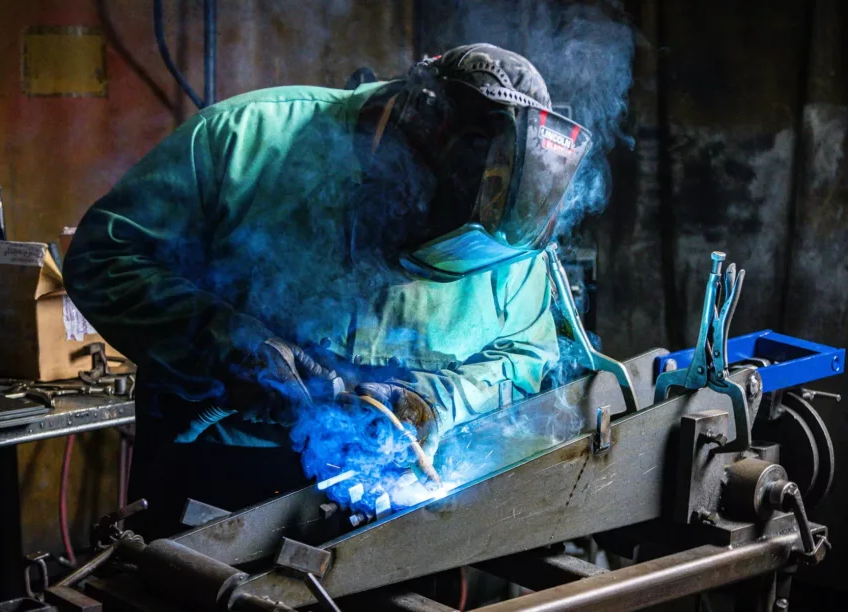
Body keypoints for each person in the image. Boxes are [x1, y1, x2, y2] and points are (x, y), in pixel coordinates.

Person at [63, 43, 592, 538]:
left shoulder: (509, 240)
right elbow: (104, 258)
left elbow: (525, 349)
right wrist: (226, 347)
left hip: (389, 496)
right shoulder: (246, 142)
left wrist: (432, 402)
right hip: (219, 474)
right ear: (402, 152)